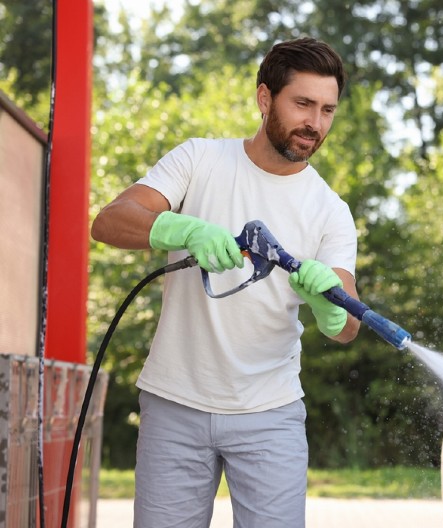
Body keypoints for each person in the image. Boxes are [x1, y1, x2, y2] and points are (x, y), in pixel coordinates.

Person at [91, 37, 360, 527]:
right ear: (264, 99)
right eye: (302, 104)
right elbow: (109, 221)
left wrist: (331, 306)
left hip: (271, 414)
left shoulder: (330, 211)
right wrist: (180, 227)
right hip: (174, 403)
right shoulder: (200, 161)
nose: (315, 124)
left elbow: (348, 326)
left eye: (327, 110)